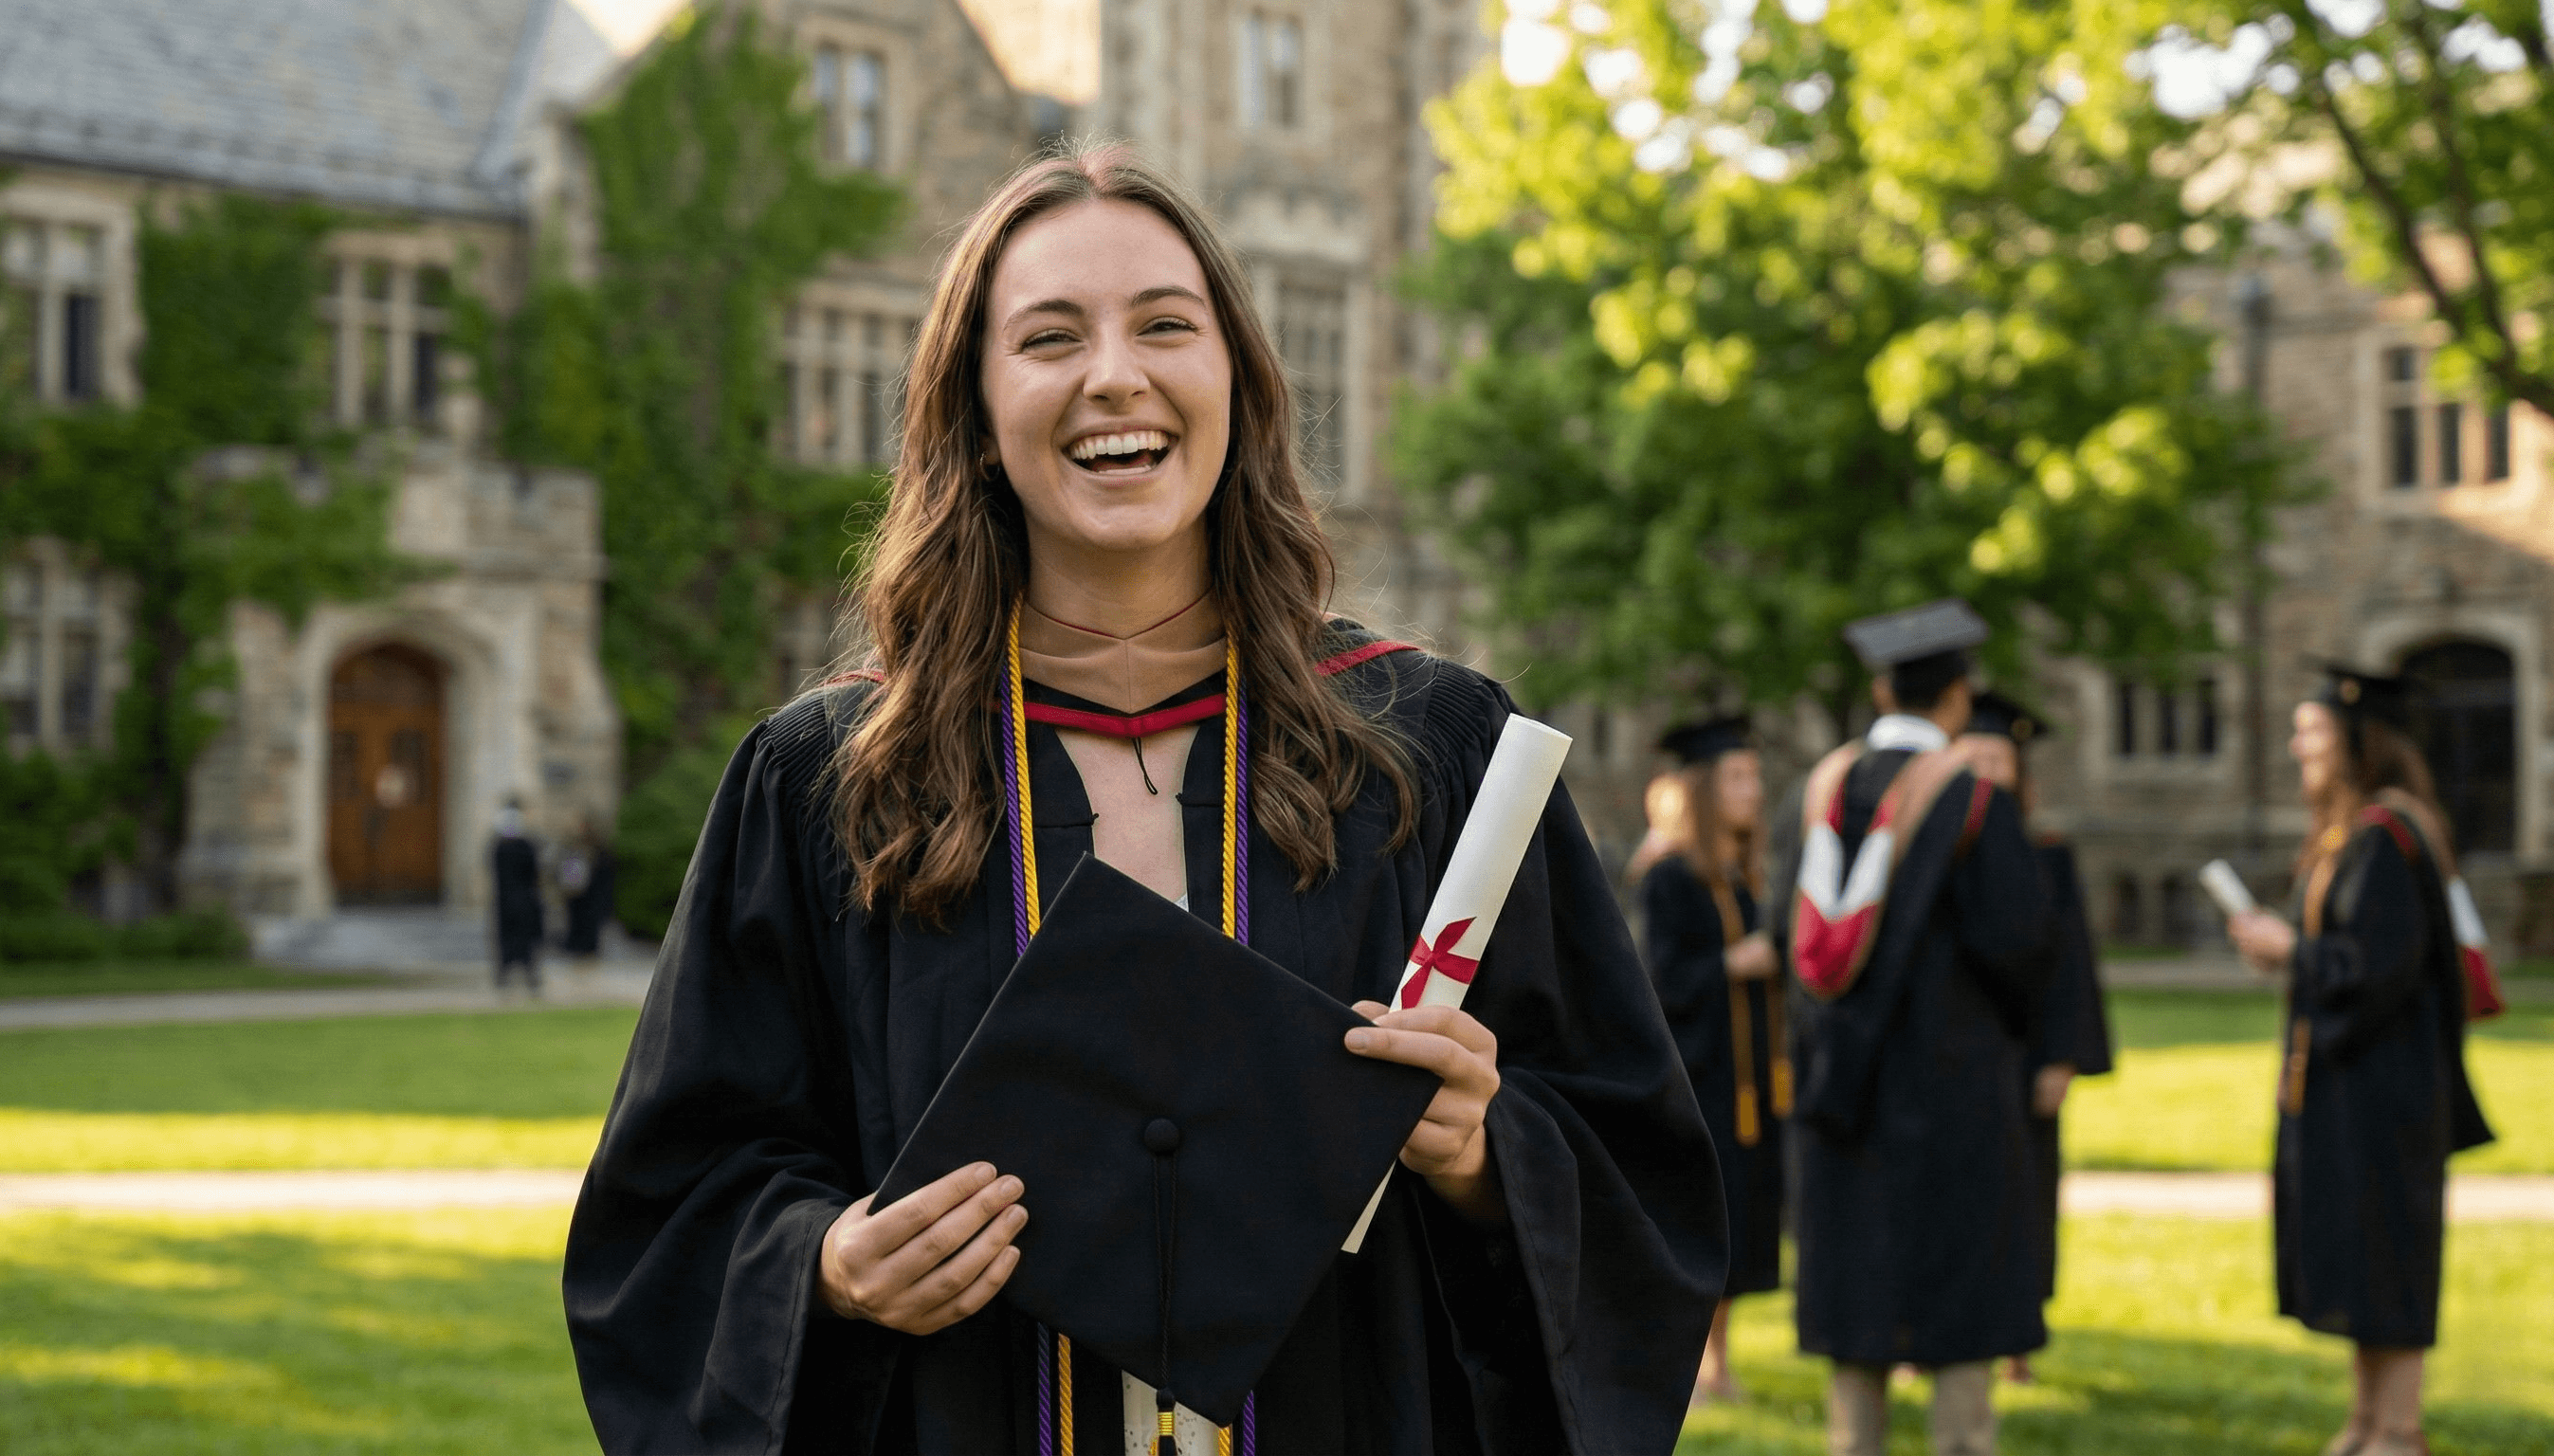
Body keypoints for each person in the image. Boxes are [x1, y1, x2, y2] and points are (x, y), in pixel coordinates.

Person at [562, 143, 1725, 1455]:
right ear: (977, 413)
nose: (1116, 374)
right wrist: (827, 1267)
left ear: (1238, 381)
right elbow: (671, 1208)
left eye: (1167, 325)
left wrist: (1486, 1155)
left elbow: (1640, 1172)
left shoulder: (1433, 752)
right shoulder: (832, 780)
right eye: (1049, 338)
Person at [1776, 600, 2054, 1456]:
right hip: (1951, 1090)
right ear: (1960, 698)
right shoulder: (1973, 801)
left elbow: (1780, 929)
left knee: (1857, 1287)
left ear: (1879, 686)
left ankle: (1853, 1441)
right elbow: (2021, 946)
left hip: (1838, 1090)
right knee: (1958, 1293)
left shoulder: (1815, 792)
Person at [2226, 665, 2494, 1456]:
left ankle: (2400, 1429)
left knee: (2390, 1254)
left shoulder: (2386, 837)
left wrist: (2290, 951)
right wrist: (2293, 953)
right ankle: (2366, 1418)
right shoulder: (2360, 834)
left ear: (2354, 742)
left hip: (2387, 1086)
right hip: (2355, 1082)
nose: (2296, 745)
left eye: (2311, 731)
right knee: (2363, 1251)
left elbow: (2380, 967)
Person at [1958, 692, 2113, 1386]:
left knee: (2022, 1197)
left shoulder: (2045, 853)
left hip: (2023, 1055)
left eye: (2000, 761)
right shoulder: (1942, 850)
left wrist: (2062, 1055)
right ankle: (1945, 1334)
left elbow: (2071, 963)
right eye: (1976, 759)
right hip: (1955, 1055)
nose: (1988, 773)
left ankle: (2016, 1337)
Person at [1637, 718, 1787, 1404]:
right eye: (1737, 777)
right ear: (1701, 790)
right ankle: (1695, 1368)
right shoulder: (1669, 877)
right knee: (1703, 1220)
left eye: (1754, 777)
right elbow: (1658, 980)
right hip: (1702, 1081)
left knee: (1742, 1223)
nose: (1752, 790)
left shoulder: (1745, 874)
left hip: (1750, 1080)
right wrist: (1735, 962)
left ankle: (1717, 1365)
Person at [489, 798, 543, 997]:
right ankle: (522, 974)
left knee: (518, 940)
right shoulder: (522, 846)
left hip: (511, 900)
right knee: (516, 940)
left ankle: (513, 974)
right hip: (519, 899)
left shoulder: (500, 846)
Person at [557, 815, 615, 973]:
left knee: (590, 926)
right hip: (576, 894)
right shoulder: (571, 846)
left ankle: (588, 955)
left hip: (591, 895)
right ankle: (578, 951)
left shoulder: (597, 848)